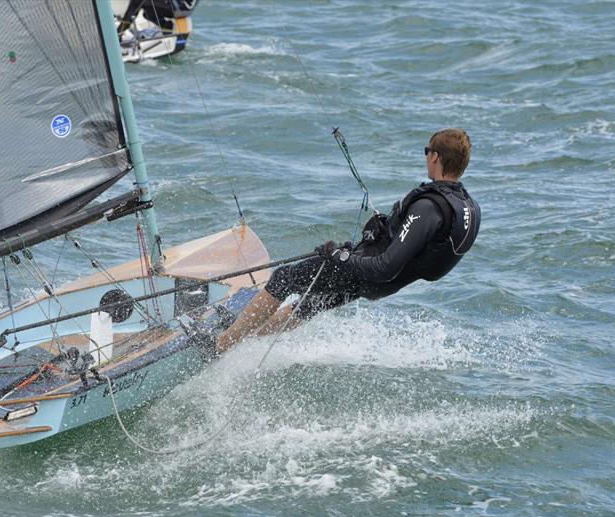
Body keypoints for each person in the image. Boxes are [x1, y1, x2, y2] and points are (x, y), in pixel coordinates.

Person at [188, 128, 481, 355]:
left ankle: (220, 346)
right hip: (381, 285)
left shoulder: (429, 208)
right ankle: (242, 337)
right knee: (308, 305)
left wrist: (340, 256)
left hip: (369, 273)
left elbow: (385, 266)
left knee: (283, 279)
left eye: (426, 151)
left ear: (435, 157)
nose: (426, 156)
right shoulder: (465, 206)